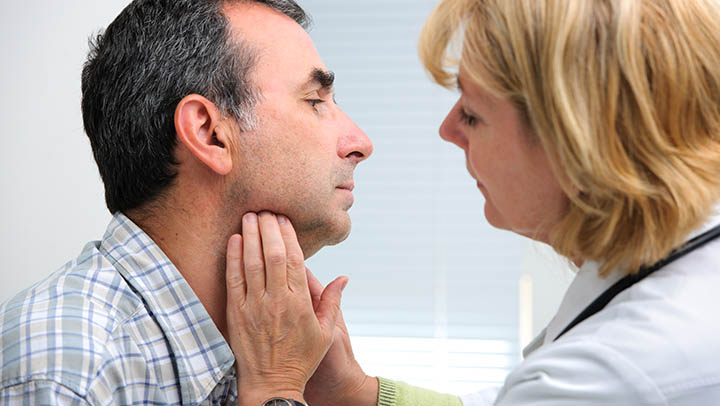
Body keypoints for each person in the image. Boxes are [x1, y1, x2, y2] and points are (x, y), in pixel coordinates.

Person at [226, 0, 720, 404]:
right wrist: (355, 393)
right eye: (315, 101)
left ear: (576, 141)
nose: (447, 130)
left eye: (473, 113)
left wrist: (277, 388)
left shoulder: (607, 377)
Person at [0, 0, 372, 404]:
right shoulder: (70, 372)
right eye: (315, 101)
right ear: (209, 133)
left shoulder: (264, 348)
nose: (361, 144)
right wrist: (278, 393)